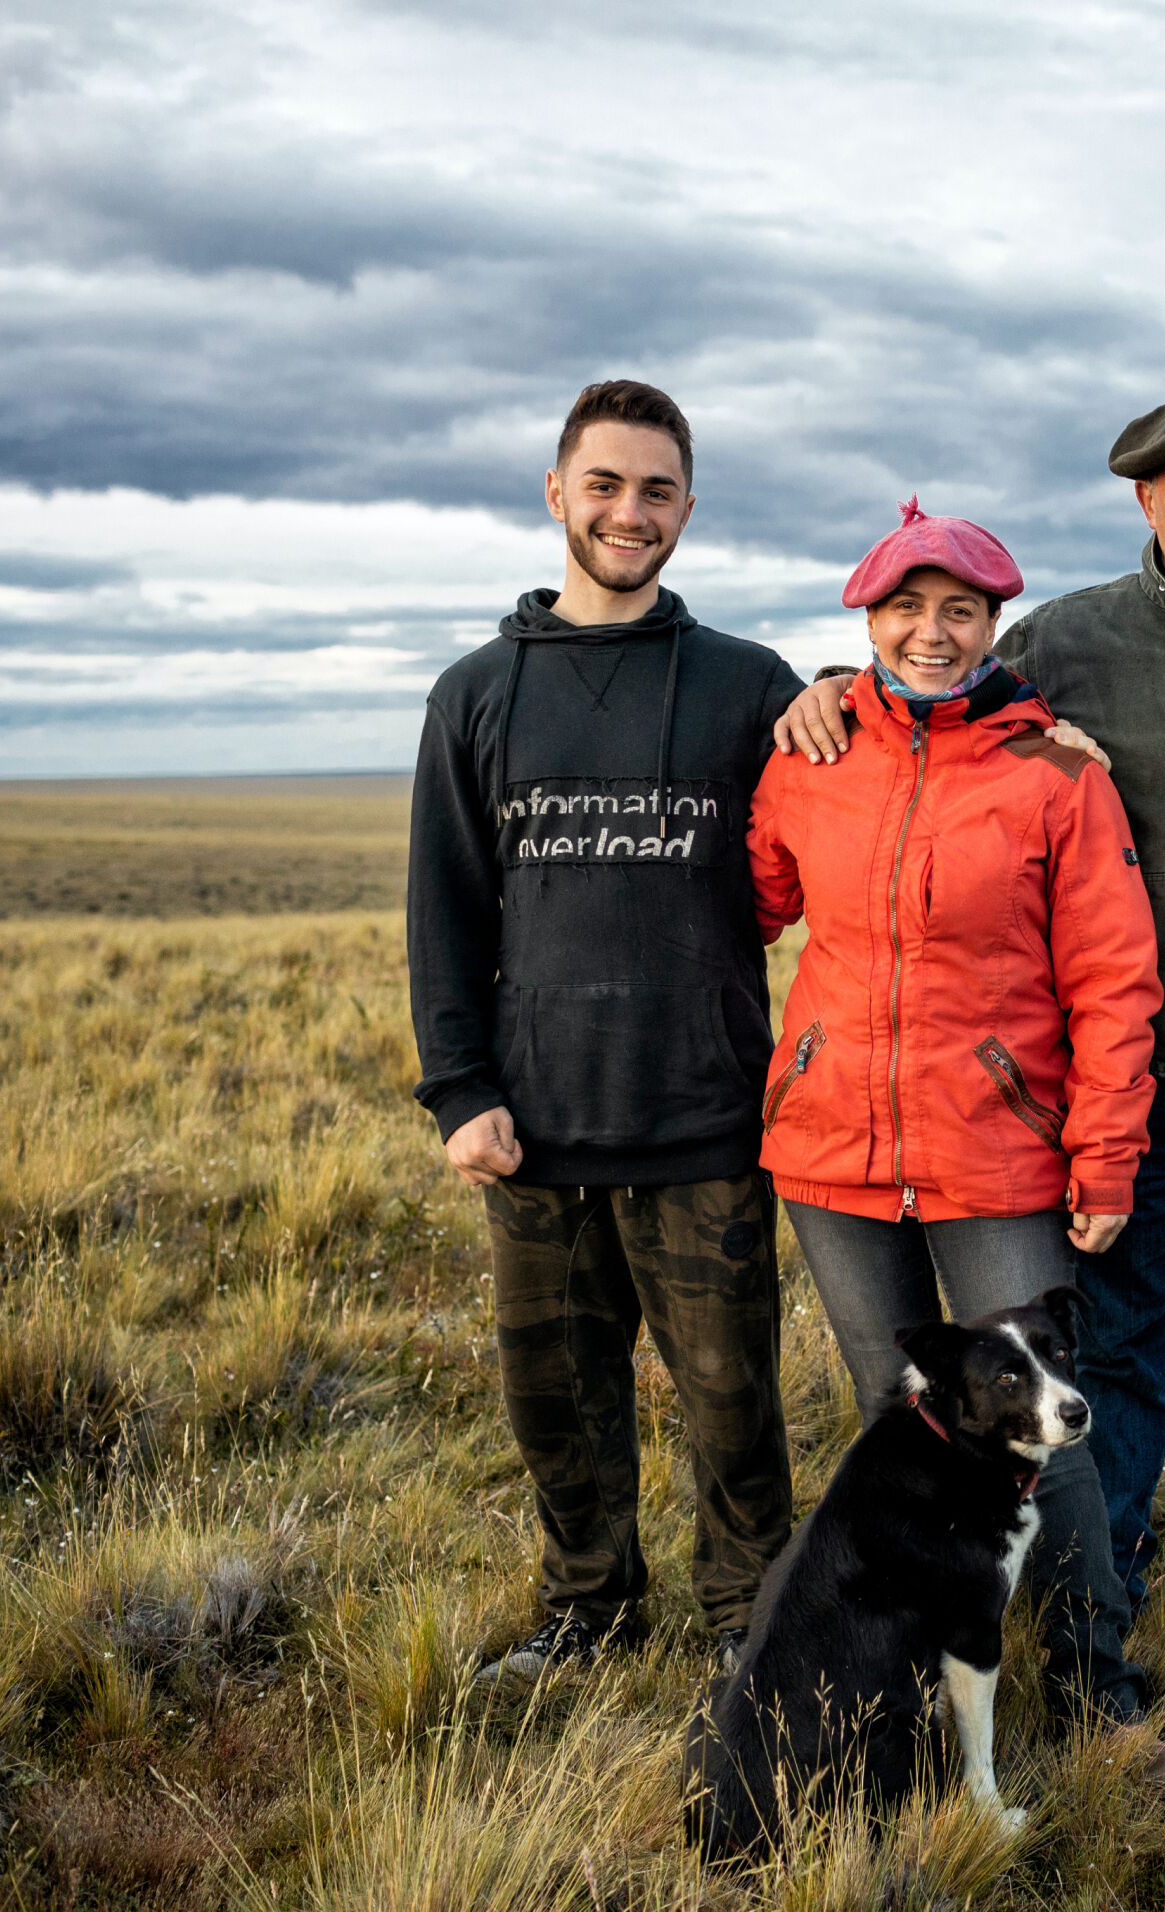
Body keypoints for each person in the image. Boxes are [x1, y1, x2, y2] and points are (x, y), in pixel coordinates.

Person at [773, 388, 1165, 1677]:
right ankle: (1107, 1606)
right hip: (1123, 1091)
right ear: (1146, 496)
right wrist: (832, 689)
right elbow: (936, 704)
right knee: (1112, 1368)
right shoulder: (1064, 641)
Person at [746, 499, 1165, 1790]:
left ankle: (1100, 1689)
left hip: (997, 1155)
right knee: (902, 1429)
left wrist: (1105, 1154)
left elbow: (1115, 978)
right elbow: (759, 896)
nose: (931, 633)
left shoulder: (1056, 773)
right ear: (868, 620)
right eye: (906, 610)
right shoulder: (814, 755)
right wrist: (799, 711)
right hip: (834, 1153)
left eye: (960, 610)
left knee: (1047, 1432)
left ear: (996, 622)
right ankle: (902, 1686)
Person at [407, 379, 805, 1681]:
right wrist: (460, 1090)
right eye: (605, 484)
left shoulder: (748, 685)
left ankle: (749, 1621)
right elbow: (446, 907)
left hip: (704, 1123)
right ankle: (587, 1611)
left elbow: (884, 777)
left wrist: (1016, 720)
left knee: (734, 1403)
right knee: (559, 1404)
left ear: (687, 508)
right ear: (556, 494)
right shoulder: (475, 694)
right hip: (537, 1132)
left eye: (657, 490)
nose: (630, 512)